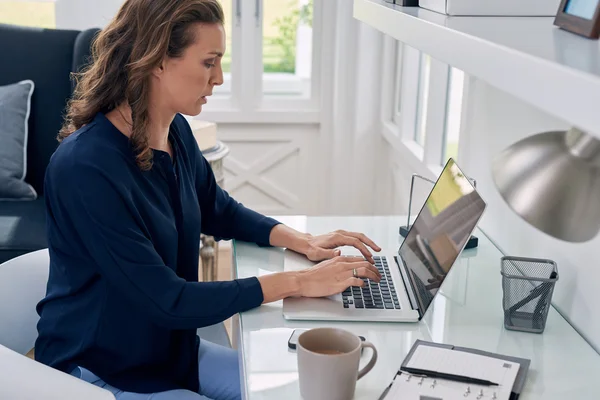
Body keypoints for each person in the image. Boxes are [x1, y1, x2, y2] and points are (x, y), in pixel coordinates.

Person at [34, 1, 381, 399]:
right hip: (101, 373)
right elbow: (168, 299)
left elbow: (217, 208)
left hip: (169, 355)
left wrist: (303, 241)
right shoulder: (86, 169)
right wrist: (299, 282)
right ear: (158, 60)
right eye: (209, 62)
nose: (218, 78)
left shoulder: (174, 131)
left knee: (301, 391)